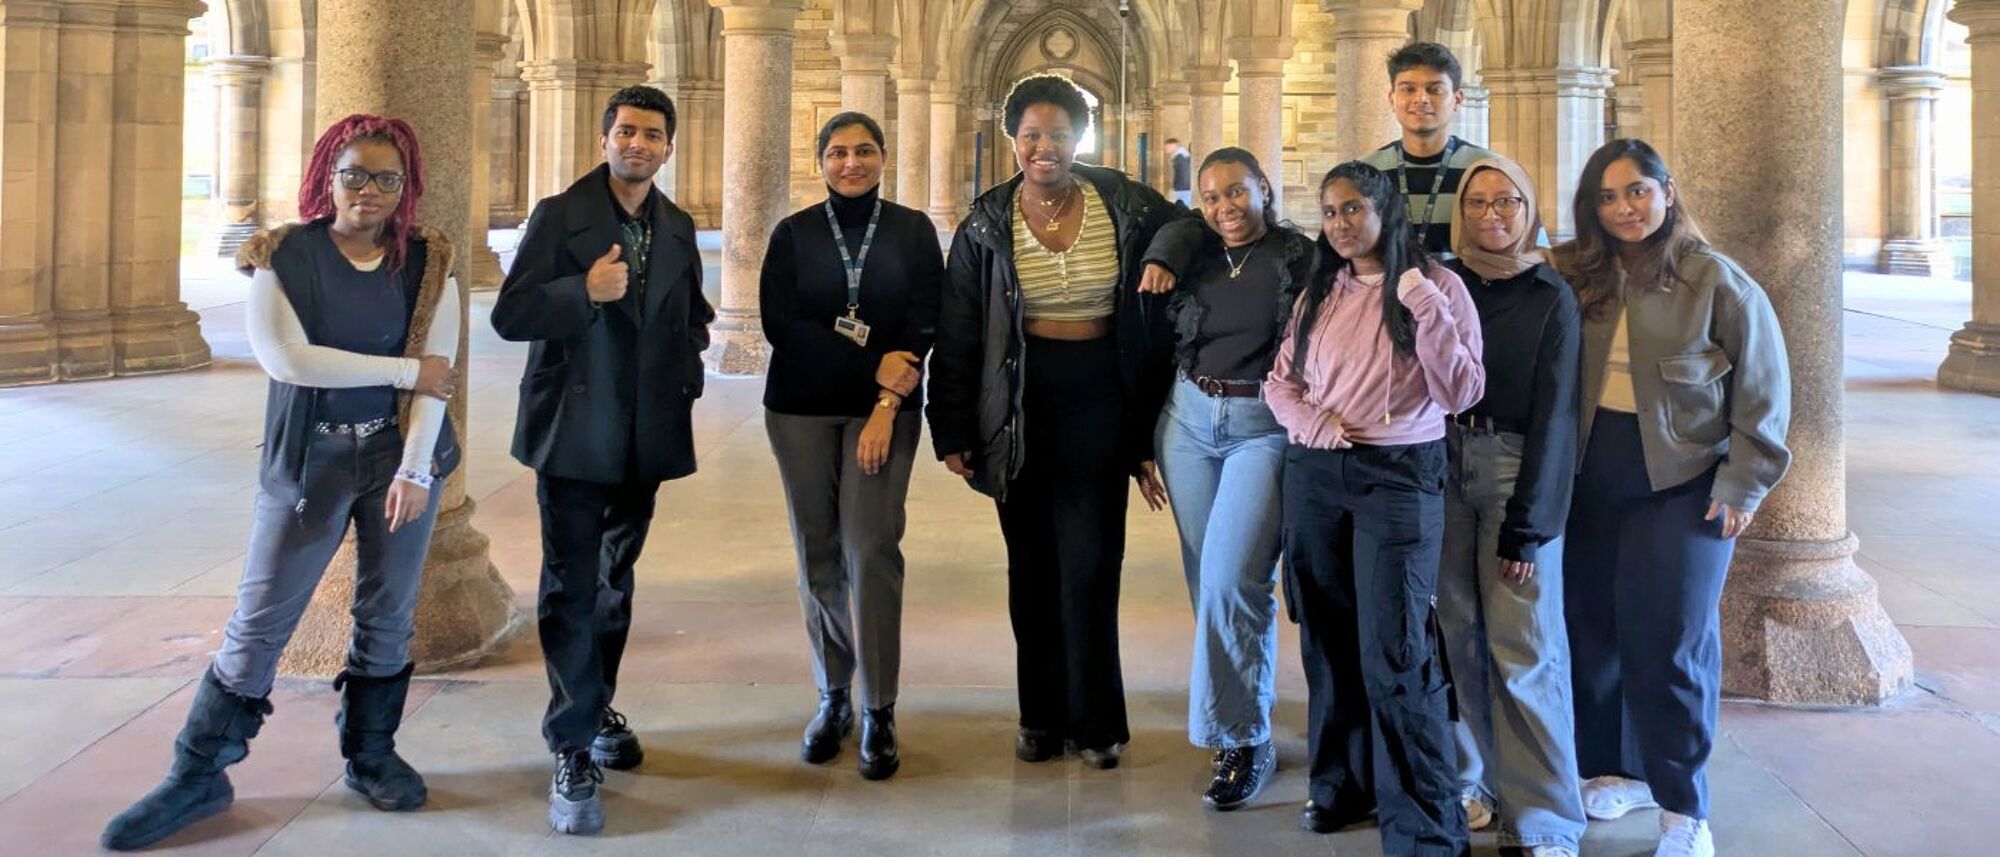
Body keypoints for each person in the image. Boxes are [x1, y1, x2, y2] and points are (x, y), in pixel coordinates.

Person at [101, 115, 461, 851]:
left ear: (407, 187)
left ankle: (370, 753)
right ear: (327, 175)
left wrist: (417, 467)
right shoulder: (283, 255)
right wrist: (402, 371)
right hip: (312, 461)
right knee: (262, 616)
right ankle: (199, 770)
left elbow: (440, 374)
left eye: (386, 178)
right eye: (354, 173)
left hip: (399, 457)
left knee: (388, 611)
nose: (368, 190)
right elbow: (289, 360)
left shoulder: (429, 261)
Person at [927, 73, 1179, 771]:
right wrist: (950, 426)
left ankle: (1098, 720)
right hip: (1019, 404)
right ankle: (1040, 715)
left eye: (1060, 134)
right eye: (1032, 135)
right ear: (1014, 142)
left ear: (1079, 139)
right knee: (1031, 567)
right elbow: (959, 331)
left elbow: (1187, 229)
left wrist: (1163, 255)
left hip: (1099, 397)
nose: (1046, 147)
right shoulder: (984, 221)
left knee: (1093, 565)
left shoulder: (1123, 201)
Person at [1553, 139, 1791, 857]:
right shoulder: (1573, 275)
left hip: (1684, 486)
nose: (1625, 208)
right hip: (1589, 481)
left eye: (1637, 191)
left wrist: (1744, 482)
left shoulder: (1715, 279)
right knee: (1592, 631)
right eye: (1608, 196)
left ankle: (1685, 807)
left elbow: (1763, 388)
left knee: (1672, 642)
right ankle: (1616, 767)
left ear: (1667, 190)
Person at [491, 84, 713, 836]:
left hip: (644, 433)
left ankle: (592, 702)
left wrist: (688, 364)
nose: (638, 144)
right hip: (574, 430)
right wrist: (580, 290)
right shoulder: (561, 215)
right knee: (571, 585)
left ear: (668, 147)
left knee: (616, 582)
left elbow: (695, 314)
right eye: (626, 131)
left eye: (652, 134)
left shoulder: (676, 224)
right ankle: (572, 742)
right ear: (605, 138)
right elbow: (510, 312)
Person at [1268, 161, 1484, 855]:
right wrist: (1313, 425)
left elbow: (1461, 391)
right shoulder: (1319, 291)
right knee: (1327, 632)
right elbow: (1281, 382)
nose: (1340, 223)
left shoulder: (1439, 286)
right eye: (1330, 212)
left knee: (1394, 644)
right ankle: (1341, 783)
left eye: (1354, 208)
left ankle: (1424, 821)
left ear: (1386, 210)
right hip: (1316, 471)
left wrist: (1419, 295)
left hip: (1397, 476)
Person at [760, 111, 942, 781]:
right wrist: (873, 366)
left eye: (864, 150)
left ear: (883, 157)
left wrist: (886, 402)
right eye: (837, 152)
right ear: (821, 161)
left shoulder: (913, 231)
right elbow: (784, 324)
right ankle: (833, 694)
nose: (851, 163)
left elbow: (923, 318)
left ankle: (879, 707)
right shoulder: (794, 233)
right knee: (819, 551)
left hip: (883, 416)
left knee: (870, 546)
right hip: (800, 411)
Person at [1136, 147, 1313, 810]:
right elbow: (1154, 333)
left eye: (1237, 193)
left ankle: (1242, 737)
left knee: (1232, 575)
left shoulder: (1299, 257)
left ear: (1264, 189)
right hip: (1187, 420)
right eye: (1211, 197)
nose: (1225, 208)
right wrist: (1140, 439)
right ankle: (1244, 706)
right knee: (1205, 577)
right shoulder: (1194, 250)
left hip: (1263, 425)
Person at [1435, 156, 1586, 857]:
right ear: (1459, 211)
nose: (1492, 214)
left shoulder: (1550, 294)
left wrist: (1529, 526)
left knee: (1522, 645)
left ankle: (1547, 817)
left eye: (1507, 201)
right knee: (1459, 636)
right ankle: (1487, 783)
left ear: (1529, 209)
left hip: (1512, 468)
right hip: (1441, 462)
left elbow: (1558, 415)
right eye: (1477, 202)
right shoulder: (1442, 282)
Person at [1362, 42, 1500, 260]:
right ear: (1392, 99)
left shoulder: (1489, 169)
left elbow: (1529, 249)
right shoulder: (1366, 172)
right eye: (1408, 89)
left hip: (1471, 293)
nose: (1421, 99)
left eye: (1434, 89)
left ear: (1457, 100)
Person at [1165, 137, 1194, 207]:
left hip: (1183, 190)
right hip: (1183, 189)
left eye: (1167, 147)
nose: (1166, 150)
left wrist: (1177, 188)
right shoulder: (1181, 156)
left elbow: (1184, 175)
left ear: (1174, 145)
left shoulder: (1180, 157)